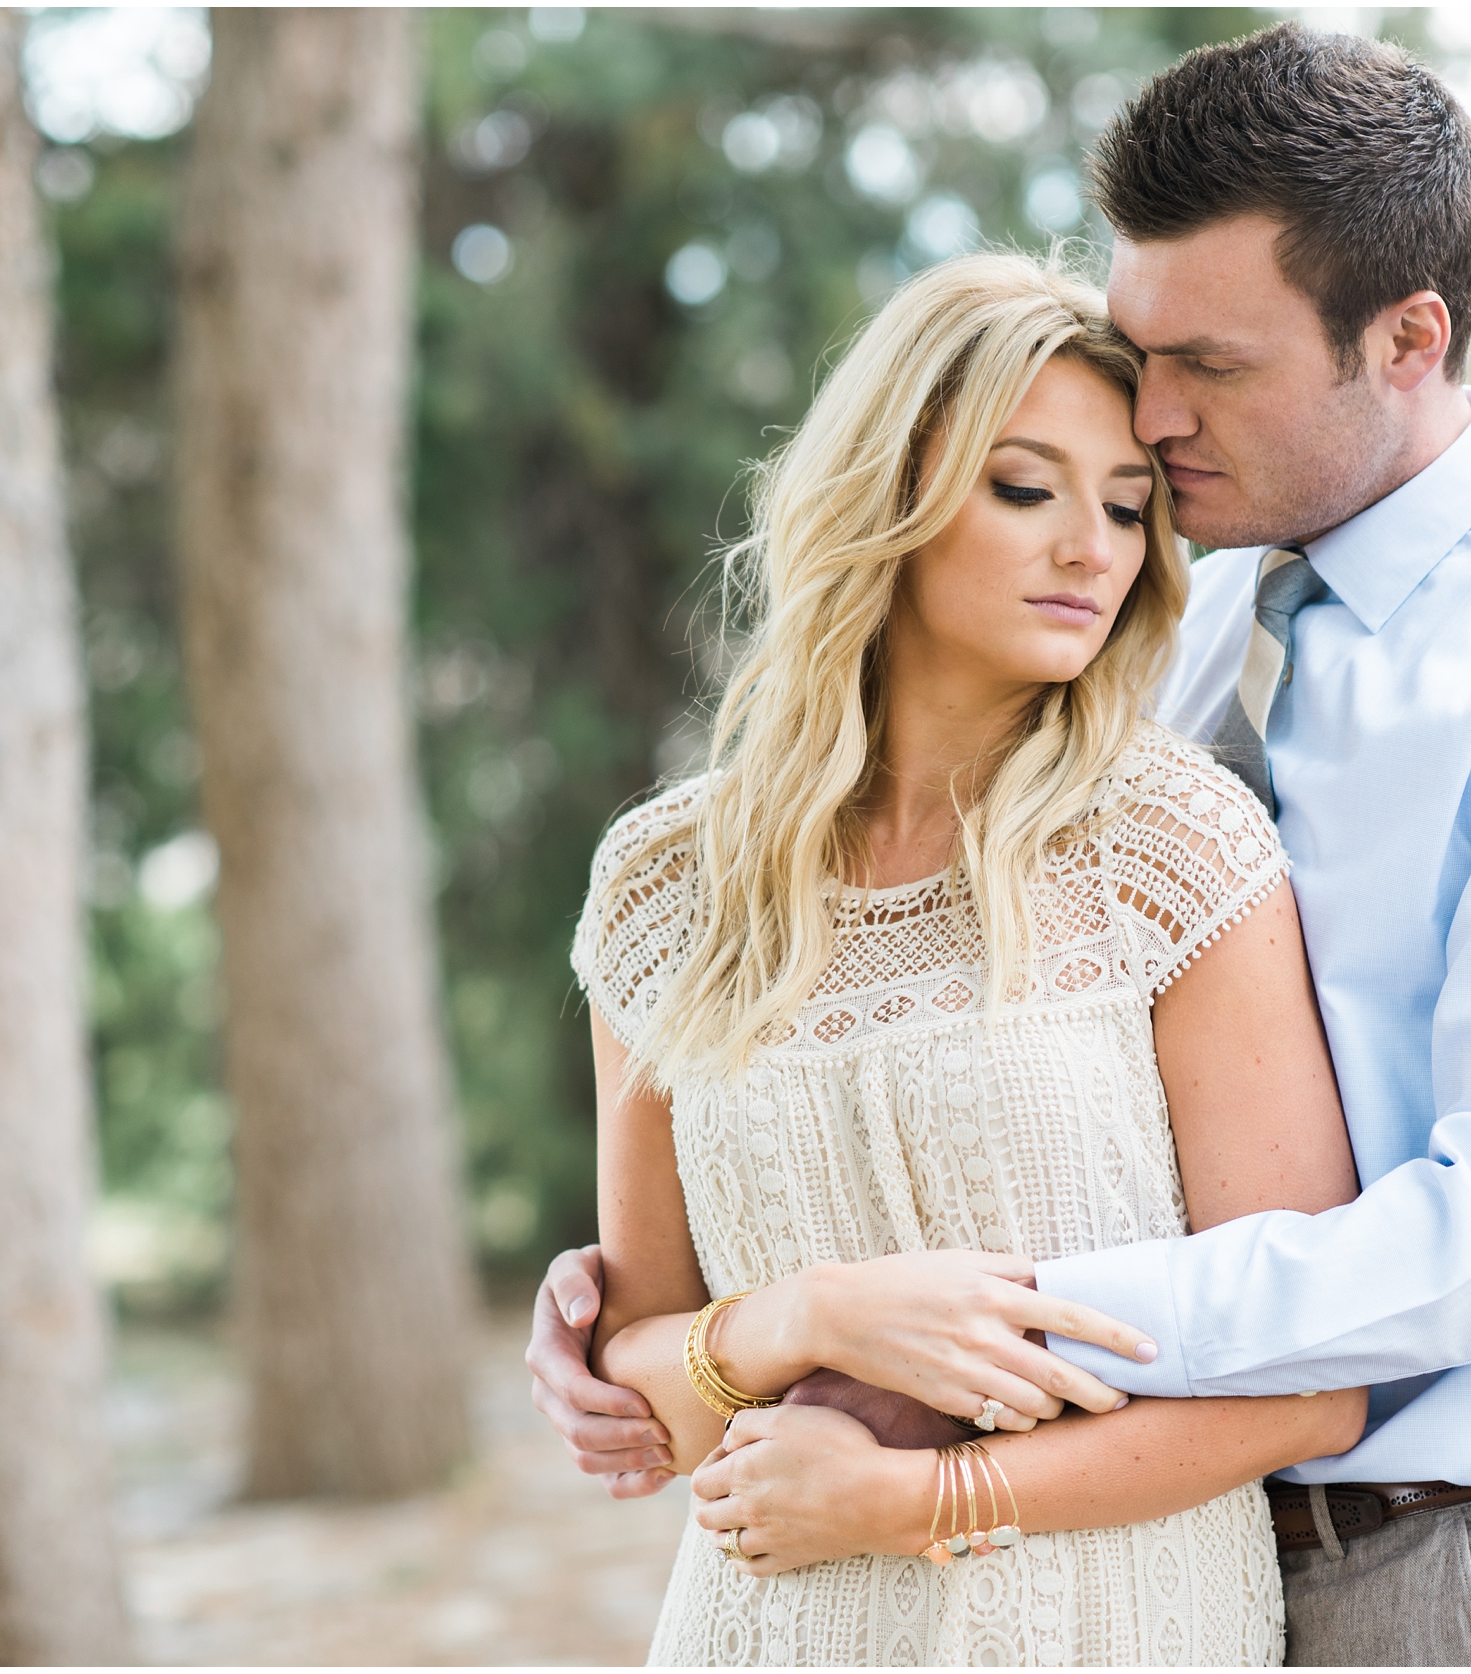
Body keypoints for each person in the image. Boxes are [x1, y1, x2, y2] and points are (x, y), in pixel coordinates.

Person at [532, 24, 1471, 1668]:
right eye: (1144, 352)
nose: (1158, 416)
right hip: (1169, 1549)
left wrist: (973, 1327)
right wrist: (704, 1315)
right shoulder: (1179, 611)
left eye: (1213, 364)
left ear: (1406, 339)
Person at [568, 249, 1370, 1666]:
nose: (1093, 550)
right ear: (892, 494)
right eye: (1025, 488)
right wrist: (807, 1314)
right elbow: (642, 1387)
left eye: (1130, 508)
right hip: (768, 1630)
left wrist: (925, 1499)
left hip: (1113, 1630)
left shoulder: (1174, 845)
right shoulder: (662, 887)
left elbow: (1306, 1390)